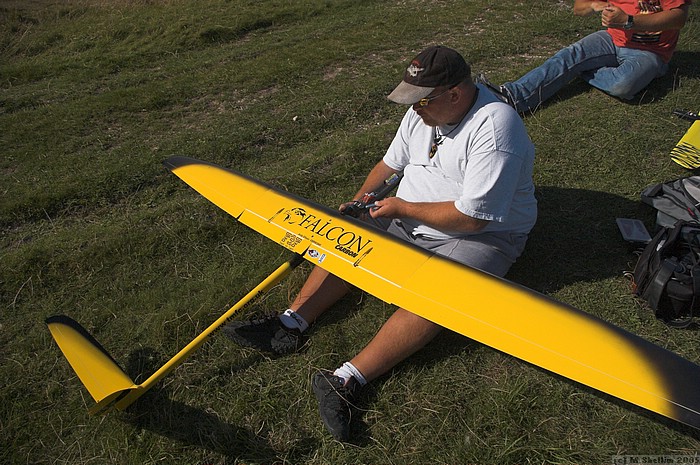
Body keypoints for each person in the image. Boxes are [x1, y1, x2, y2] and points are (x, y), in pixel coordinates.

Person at [223, 45, 538, 442]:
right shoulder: (422, 112)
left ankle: (346, 379)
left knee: (437, 295)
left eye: (421, 101)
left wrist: (403, 207)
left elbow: (473, 218)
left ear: (455, 95)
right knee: (348, 242)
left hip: (484, 234)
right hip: (405, 212)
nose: (415, 110)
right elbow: (388, 166)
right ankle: (289, 324)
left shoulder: (495, 127)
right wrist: (356, 207)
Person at [476, 0, 692, 113]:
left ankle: (580, 69)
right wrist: (593, 5)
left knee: (623, 85)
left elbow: (679, 18)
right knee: (569, 55)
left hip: (651, 52)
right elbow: (579, 7)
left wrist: (629, 20)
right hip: (612, 39)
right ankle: (512, 97)